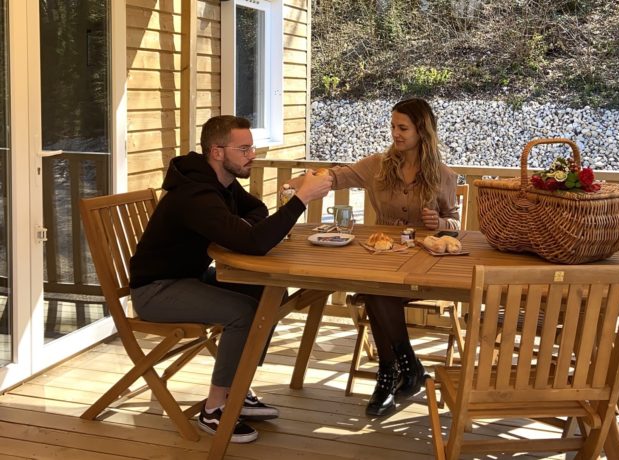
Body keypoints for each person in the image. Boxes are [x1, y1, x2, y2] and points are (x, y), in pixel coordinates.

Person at [129, 115, 333, 443]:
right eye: (244, 148)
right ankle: (214, 410)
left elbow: (257, 214)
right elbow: (254, 241)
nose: (252, 153)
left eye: (251, 146)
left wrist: (234, 228)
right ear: (218, 152)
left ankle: (237, 390)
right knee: (242, 312)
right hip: (156, 290)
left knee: (269, 291)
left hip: (188, 278)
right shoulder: (195, 193)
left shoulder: (222, 183)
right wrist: (301, 199)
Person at [292, 98, 460, 416]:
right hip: (382, 260)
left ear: (421, 131)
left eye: (403, 127)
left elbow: (455, 224)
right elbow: (337, 177)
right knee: (376, 289)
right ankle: (404, 368)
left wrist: (439, 224)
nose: (395, 133)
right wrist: (301, 183)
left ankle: (391, 375)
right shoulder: (377, 166)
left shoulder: (443, 175)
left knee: (375, 294)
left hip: (423, 268)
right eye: (393, 126)